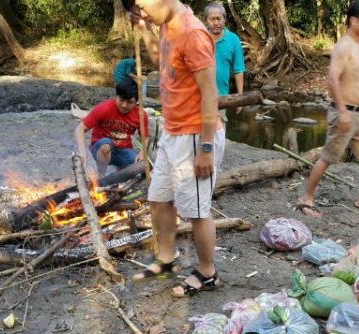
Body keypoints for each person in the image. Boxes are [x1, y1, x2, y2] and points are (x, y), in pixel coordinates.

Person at [124, 0, 224, 297]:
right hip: (173, 131)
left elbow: (210, 94)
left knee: (197, 210)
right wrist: (144, 29)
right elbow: (163, 63)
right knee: (159, 198)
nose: (141, 9)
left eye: (142, 3)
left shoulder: (193, 33)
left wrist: (205, 148)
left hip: (195, 135)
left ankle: (208, 272)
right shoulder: (168, 25)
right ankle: (167, 258)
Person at [297, 1, 359, 217]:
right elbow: (332, 79)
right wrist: (342, 111)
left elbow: (357, 79)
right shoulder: (344, 46)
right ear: (353, 20)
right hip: (345, 112)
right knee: (329, 157)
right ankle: (307, 199)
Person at [74, 78, 148, 177]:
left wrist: (142, 152)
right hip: (100, 148)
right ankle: (101, 176)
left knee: (140, 167)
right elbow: (80, 129)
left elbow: (145, 137)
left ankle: (119, 174)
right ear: (116, 96)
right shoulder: (104, 108)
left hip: (124, 150)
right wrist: (82, 151)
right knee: (106, 144)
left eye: (129, 102)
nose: (124, 105)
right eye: (121, 100)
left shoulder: (141, 115)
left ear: (136, 102)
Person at [204, 2, 246, 117]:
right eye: (212, 19)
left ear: (224, 20)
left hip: (221, 98)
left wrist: (240, 98)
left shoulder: (233, 39)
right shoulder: (199, 37)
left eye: (219, 18)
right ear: (207, 20)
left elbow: (239, 69)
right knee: (197, 134)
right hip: (197, 97)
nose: (216, 23)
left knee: (219, 132)